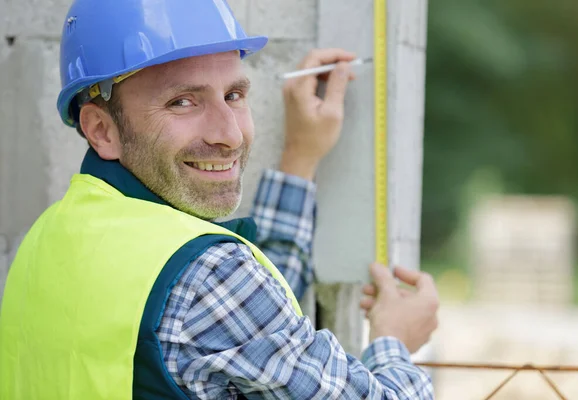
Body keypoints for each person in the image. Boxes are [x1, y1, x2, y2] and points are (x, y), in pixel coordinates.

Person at [0, 0, 439, 399]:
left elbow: (243, 336)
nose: (229, 135)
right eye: (183, 102)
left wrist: (299, 158)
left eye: (234, 95)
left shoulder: (42, 242)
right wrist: (392, 341)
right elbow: (230, 310)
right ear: (102, 130)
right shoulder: (211, 277)